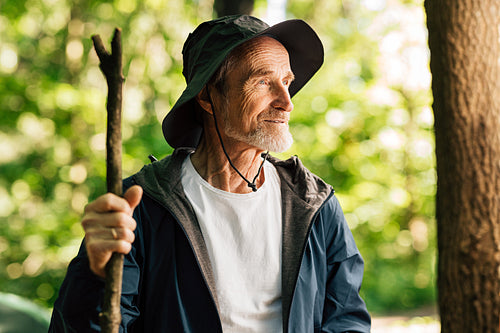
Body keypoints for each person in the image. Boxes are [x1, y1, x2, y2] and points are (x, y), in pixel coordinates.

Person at [49, 15, 371, 332]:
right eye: (262, 81)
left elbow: (346, 318)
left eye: (286, 82)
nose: (286, 102)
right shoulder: (142, 208)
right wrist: (92, 275)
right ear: (207, 96)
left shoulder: (314, 204)